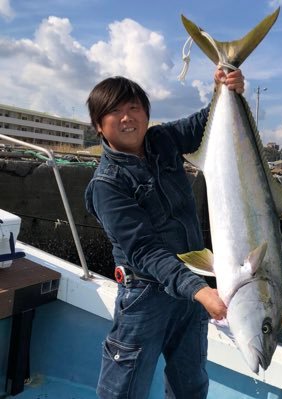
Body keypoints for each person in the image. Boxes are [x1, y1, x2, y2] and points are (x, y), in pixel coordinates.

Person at [85, 67, 245, 399]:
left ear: (146, 114)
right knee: (125, 389)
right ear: (99, 126)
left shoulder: (162, 140)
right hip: (145, 295)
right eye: (115, 111)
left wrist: (224, 88)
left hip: (191, 290)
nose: (127, 117)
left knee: (191, 382)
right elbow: (144, 251)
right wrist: (200, 291)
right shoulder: (107, 184)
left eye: (134, 108)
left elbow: (204, 123)